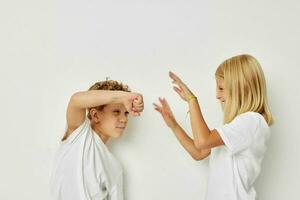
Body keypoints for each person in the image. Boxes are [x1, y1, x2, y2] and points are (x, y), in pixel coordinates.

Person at [153, 54, 273, 200]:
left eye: (221, 88)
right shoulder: (239, 127)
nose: (217, 95)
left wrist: (192, 100)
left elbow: (203, 140)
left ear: (241, 88)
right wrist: (173, 124)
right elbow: (199, 152)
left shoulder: (252, 122)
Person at [50, 80, 144, 200]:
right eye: (116, 112)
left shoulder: (115, 167)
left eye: (126, 113)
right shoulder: (79, 136)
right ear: (95, 115)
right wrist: (125, 97)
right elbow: (76, 100)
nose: (124, 119)